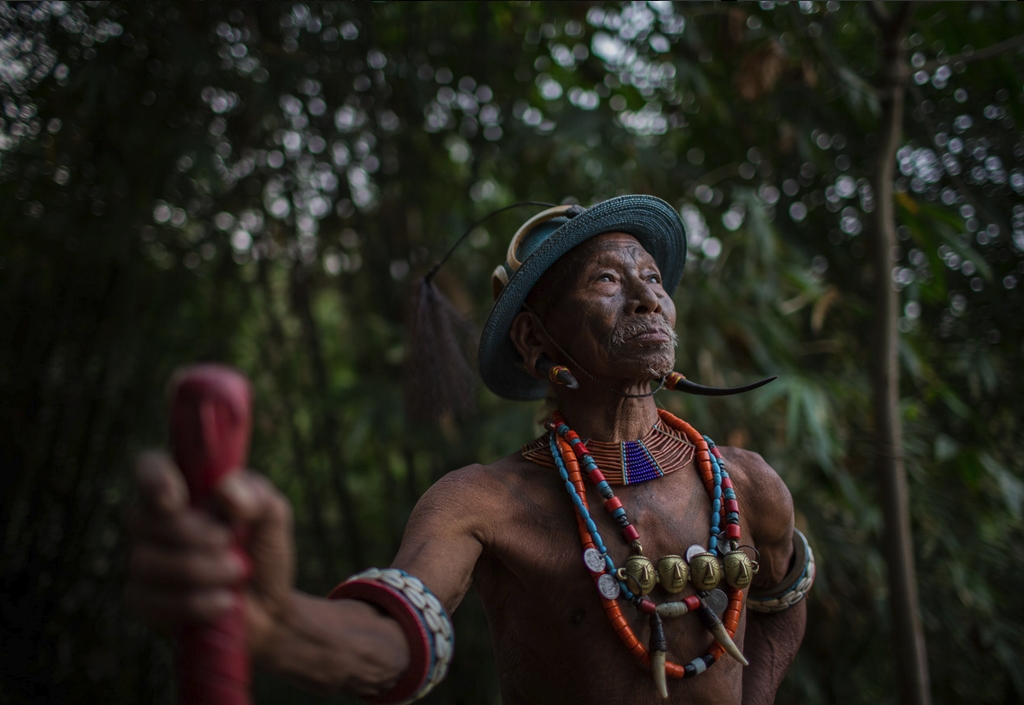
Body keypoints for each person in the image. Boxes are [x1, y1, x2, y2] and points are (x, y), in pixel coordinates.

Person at [126, 195, 813, 704]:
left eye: (654, 280)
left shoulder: (746, 483)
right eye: (608, 280)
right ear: (537, 343)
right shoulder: (484, 503)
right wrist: (279, 626)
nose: (648, 299)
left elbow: (784, 599)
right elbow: (396, 638)